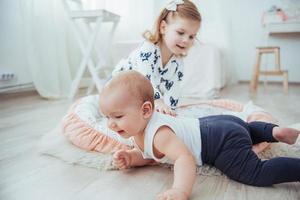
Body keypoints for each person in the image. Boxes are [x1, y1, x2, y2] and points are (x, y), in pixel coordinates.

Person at [99, 70, 300, 200]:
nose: (110, 124)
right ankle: (272, 131)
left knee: (255, 172)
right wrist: (131, 158)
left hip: (219, 143)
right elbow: (149, 156)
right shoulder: (138, 129)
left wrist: (180, 190)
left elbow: (183, 157)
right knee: (245, 128)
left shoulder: (160, 134)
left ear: (145, 110)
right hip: (219, 123)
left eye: (117, 116)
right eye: (107, 117)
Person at [112, 0, 201, 116]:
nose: (186, 40)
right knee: (124, 110)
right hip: (118, 85)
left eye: (191, 36)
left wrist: (169, 110)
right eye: (180, 33)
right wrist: (158, 101)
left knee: (145, 111)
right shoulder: (149, 49)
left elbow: (174, 88)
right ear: (163, 27)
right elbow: (146, 79)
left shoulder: (178, 61)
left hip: (138, 93)